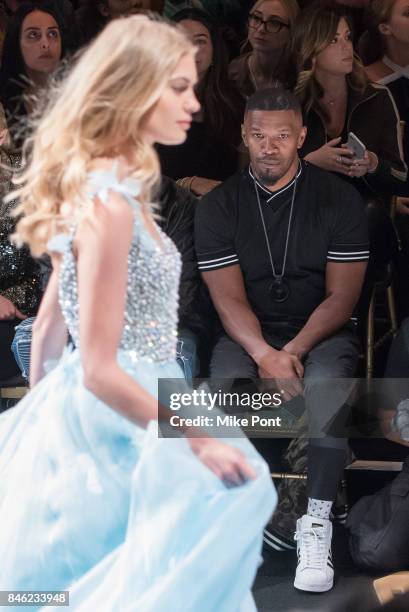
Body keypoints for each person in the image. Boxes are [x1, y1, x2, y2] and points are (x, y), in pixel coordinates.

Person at [0, 15, 276, 608]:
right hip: (122, 406)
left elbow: (51, 324)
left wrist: (51, 419)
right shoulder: (111, 205)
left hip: (115, 402)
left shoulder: (106, 191)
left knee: (100, 579)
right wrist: (197, 438)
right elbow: (97, 365)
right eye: (177, 87)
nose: (193, 101)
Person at [195, 87, 369, 593]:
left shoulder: (340, 199)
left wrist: (290, 352)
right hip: (248, 330)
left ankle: (315, 522)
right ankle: (233, 521)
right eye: (258, 136)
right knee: (225, 384)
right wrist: (265, 353)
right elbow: (227, 300)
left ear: (302, 137)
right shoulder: (221, 205)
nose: (269, 147)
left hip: (320, 328)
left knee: (329, 386)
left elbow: (342, 299)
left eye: (282, 136)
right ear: (244, 137)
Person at [157, 8, 244, 196]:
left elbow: (245, 177)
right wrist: (188, 183)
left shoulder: (235, 106)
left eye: (200, 41)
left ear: (214, 51)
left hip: (220, 213)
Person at [0, 2, 65, 149]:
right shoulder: (3, 107)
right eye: (33, 35)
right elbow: (14, 168)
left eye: (52, 34)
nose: (45, 43)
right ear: (16, 43)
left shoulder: (79, 93)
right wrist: (11, 150)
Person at [228, 0, 299, 99]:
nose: (261, 29)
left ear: (291, 32)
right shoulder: (231, 75)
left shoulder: (299, 77)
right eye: (256, 18)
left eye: (274, 22)